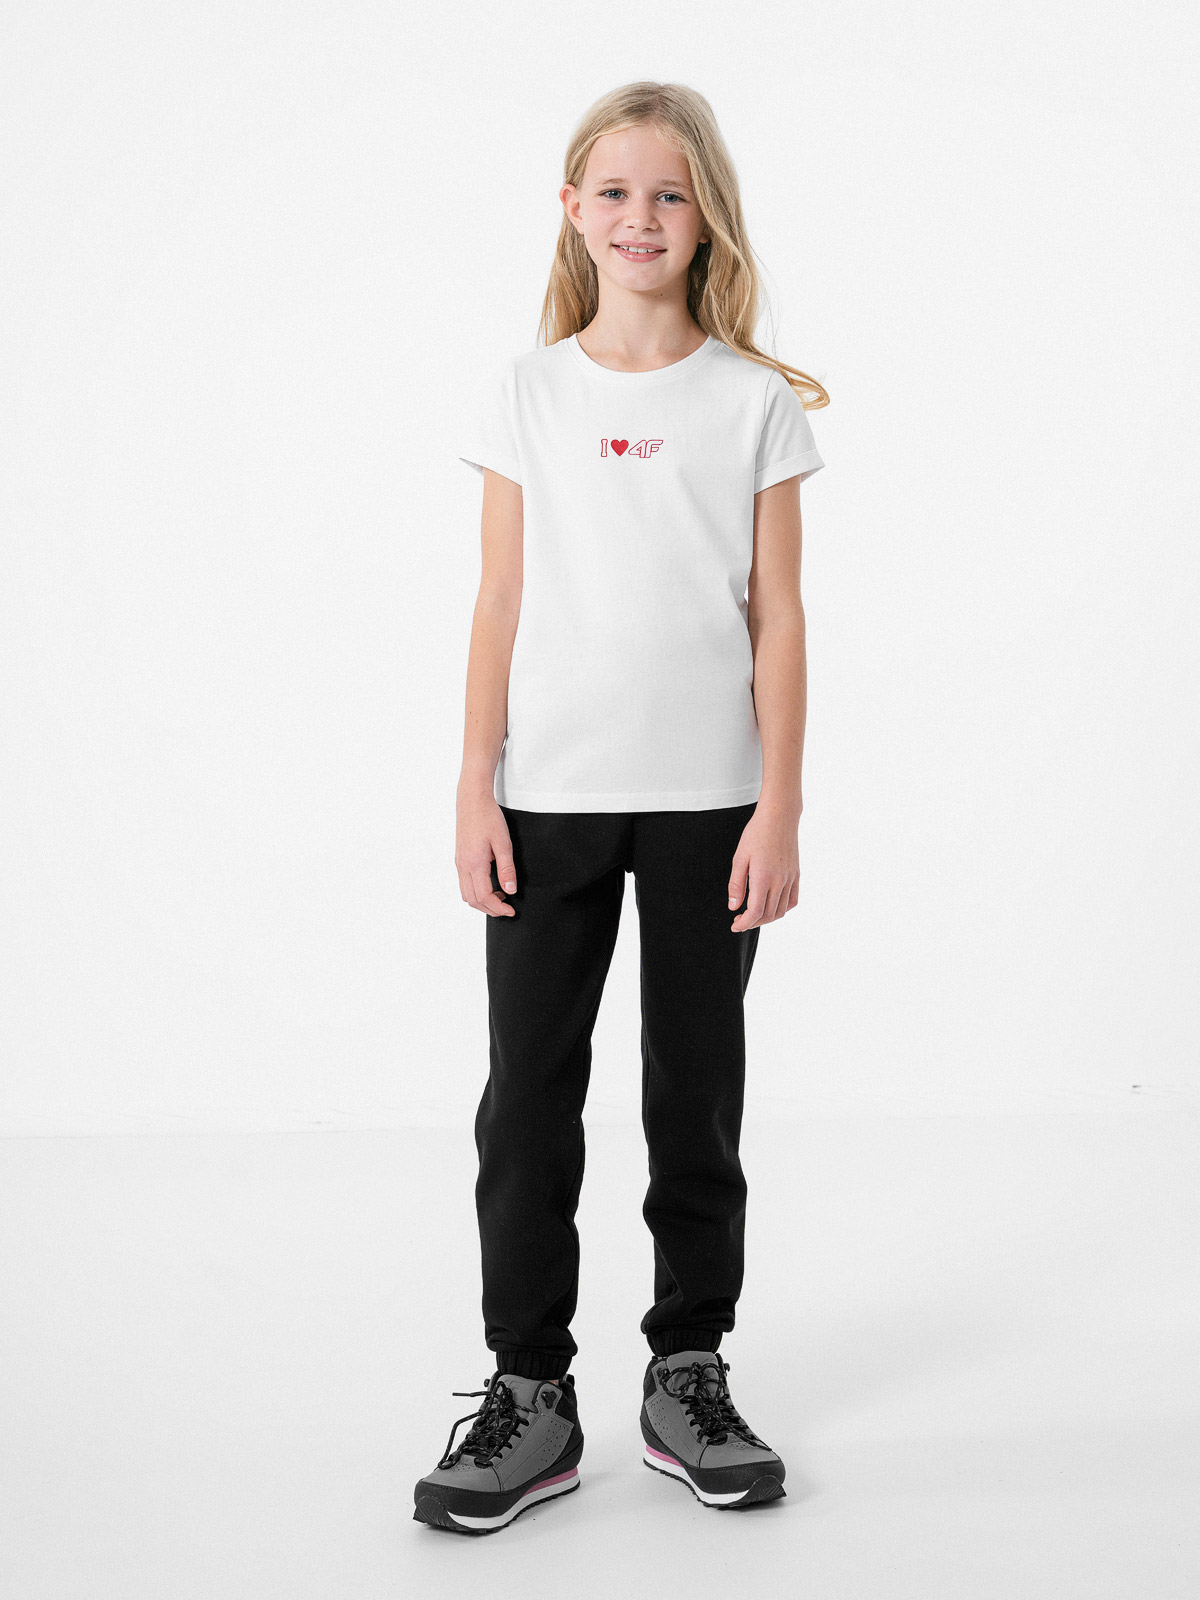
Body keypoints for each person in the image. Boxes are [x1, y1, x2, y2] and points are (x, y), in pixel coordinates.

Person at [413, 80, 828, 1536]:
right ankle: (529, 1391)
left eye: (668, 194)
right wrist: (475, 783)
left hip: (714, 801)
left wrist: (781, 805)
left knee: (692, 1097)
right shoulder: (527, 393)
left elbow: (779, 617)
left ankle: (687, 1369)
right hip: (552, 798)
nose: (639, 217)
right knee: (528, 1098)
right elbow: (498, 601)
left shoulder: (753, 401)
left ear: (706, 215)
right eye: (613, 192)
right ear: (572, 212)